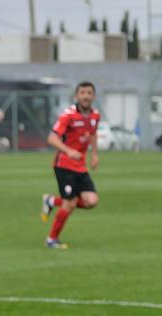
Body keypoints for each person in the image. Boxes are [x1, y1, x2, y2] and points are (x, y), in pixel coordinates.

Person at [40, 82, 100, 249]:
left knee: (92, 201)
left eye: (89, 93)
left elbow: (93, 133)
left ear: (94, 96)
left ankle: (52, 201)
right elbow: (52, 138)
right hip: (64, 165)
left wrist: (95, 154)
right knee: (70, 202)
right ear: (76, 96)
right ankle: (51, 239)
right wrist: (68, 151)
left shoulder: (95, 115)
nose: (86, 96)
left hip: (80, 166)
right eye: (82, 92)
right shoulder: (68, 115)